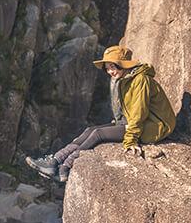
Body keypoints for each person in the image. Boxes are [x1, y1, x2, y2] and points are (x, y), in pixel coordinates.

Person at [26, 45, 177, 182]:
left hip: (156, 126)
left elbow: (139, 113)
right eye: (107, 68)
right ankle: (55, 160)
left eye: (113, 67)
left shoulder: (140, 80)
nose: (110, 71)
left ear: (123, 64)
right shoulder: (126, 79)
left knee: (98, 134)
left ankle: (65, 166)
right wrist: (118, 123)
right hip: (139, 121)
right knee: (89, 130)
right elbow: (129, 109)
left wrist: (131, 140)